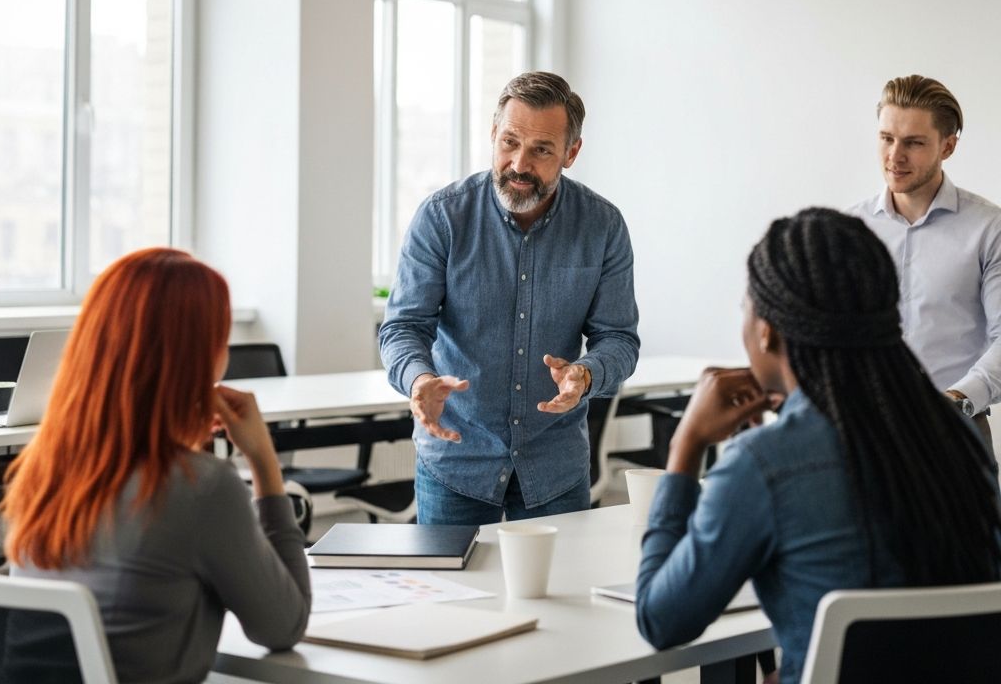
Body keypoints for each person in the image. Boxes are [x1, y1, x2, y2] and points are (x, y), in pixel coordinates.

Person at [635, 209, 1001, 684]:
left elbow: (661, 621)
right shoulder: (957, 434)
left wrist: (686, 445)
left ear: (766, 330)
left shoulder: (764, 464)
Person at [0, 248, 310, 683]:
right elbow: (283, 626)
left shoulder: (42, 469)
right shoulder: (202, 487)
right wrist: (264, 462)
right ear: (201, 356)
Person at [380, 71, 640, 525]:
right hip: (457, 461)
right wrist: (419, 380)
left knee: (557, 596)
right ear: (493, 135)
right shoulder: (442, 218)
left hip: (554, 467)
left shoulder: (602, 226)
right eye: (509, 142)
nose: (519, 163)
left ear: (571, 153)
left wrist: (586, 374)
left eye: (541, 149)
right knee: (454, 597)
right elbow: (403, 327)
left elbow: (618, 338)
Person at [851, 74, 1001, 445]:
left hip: (955, 432)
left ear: (947, 146)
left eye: (914, 143)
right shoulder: (850, 229)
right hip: (862, 431)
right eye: (886, 138)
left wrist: (957, 401)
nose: (894, 156)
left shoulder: (989, 229)